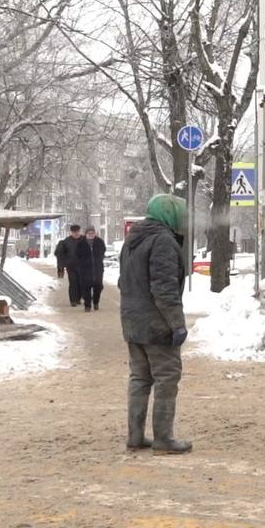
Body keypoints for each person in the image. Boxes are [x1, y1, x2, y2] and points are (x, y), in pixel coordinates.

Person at [119, 194, 192, 455]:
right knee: (166, 377)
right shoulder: (163, 241)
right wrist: (177, 324)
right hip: (156, 325)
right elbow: (164, 290)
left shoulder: (133, 239)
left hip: (133, 323)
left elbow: (123, 283)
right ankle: (163, 439)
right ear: (169, 214)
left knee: (140, 378)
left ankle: (135, 436)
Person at [77, 226, 108, 312]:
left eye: (92, 233)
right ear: (86, 234)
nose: (91, 234)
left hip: (97, 269)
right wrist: (82, 263)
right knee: (86, 288)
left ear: (95, 233)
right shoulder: (81, 243)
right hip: (85, 270)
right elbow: (77, 255)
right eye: (89, 233)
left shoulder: (99, 242)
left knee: (98, 287)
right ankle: (87, 305)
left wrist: (99, 259)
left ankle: (95, 302)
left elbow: (103, 251)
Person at [53, 225, 84, 307]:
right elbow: (59, 253)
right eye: (74, 232)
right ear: (71, 232)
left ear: (79, 231)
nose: (76, 233)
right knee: (73, 282)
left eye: (77, 231)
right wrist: (62, 265)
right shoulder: (66, 241)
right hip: (71, 266)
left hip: (83, 266)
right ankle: (73, 300)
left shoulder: (84, 240)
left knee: (81, 283)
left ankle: (78, 298)